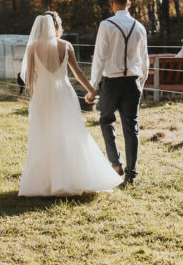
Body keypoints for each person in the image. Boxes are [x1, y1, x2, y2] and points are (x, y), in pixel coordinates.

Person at [19, 11, 123, 196]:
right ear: (56, 26)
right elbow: (78, 73)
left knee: (44, 135)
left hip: (43, 93)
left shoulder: (33, 47)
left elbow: (29, 78)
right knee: (70, 133)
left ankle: (45, 182)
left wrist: (34, 98)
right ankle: (70, 178)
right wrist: (91, 90)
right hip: (63, 93)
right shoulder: (66, 46)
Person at [85, 0, 149, 184]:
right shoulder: (139, 27)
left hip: (111, 83)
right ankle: (131, 175)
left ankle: (116, 163)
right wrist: (141, 84)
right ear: (129, 4)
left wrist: (93, 86)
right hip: (132, 82)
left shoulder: (106, 25)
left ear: (112, 4)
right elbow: (144, 61)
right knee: (132, 128)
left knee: (106, 121)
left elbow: (100, 57)